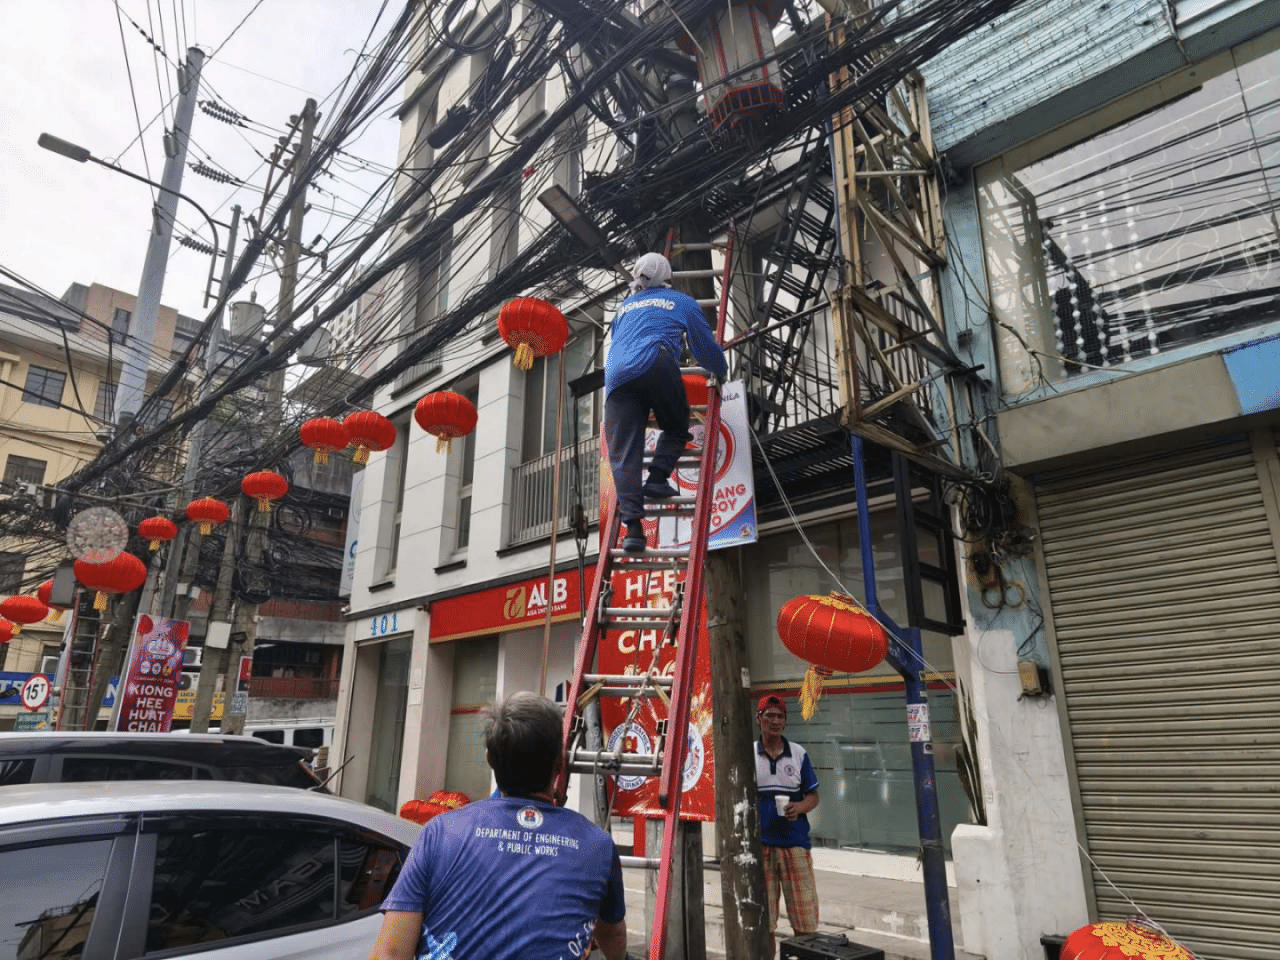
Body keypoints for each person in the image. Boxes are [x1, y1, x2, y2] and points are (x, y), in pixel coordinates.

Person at [370, 692, 627, 960]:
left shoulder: (439, 833)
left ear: (490, 758)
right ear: (561, 763)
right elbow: (614, 935)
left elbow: (390, 954)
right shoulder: (597, 845)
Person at [605, 252, 728, 553]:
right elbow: (703, 346)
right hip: (656, 363)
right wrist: (721, 370)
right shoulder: (682, 302)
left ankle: (634, 531)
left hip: (617, 375)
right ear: (667, 276)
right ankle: (658, 477)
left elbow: (619, 341)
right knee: (676, 424)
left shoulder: (624, 307)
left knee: (623, 455)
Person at [754, 693, 820, 952]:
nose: (775, 721)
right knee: (764, 923)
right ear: (759, 719)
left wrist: (799, 808)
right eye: (770, 715)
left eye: (780, 716)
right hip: (761, 847)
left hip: (795, 846)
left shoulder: (799, 754)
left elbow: (813, 796)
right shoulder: (749, 754)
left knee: (805, 921)